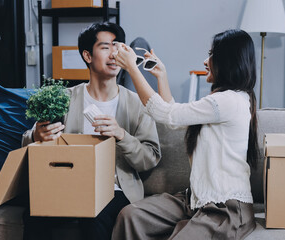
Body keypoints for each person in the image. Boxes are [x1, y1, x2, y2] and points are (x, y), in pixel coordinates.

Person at [111, 29, 259, 240]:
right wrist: (162, 76)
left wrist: (132, 69)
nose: (206, 61)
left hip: (224, 208)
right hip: (195, 200)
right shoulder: (222, 101)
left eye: (212, 55)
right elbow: (175, 119)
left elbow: (165, 114)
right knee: (131, 215)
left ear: (227, 61)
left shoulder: (228, 101)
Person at [22, 22, 161, 240]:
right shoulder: (65, 98)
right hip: (68, 185)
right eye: (105, 47)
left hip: (116, 191)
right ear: (88, 56)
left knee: (94, 213)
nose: (114, 54)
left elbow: (150, 158)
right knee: (34, 211)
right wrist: (36, 136)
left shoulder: (137, 103)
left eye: (117, 46)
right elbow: (27, 141)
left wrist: (121, 135)